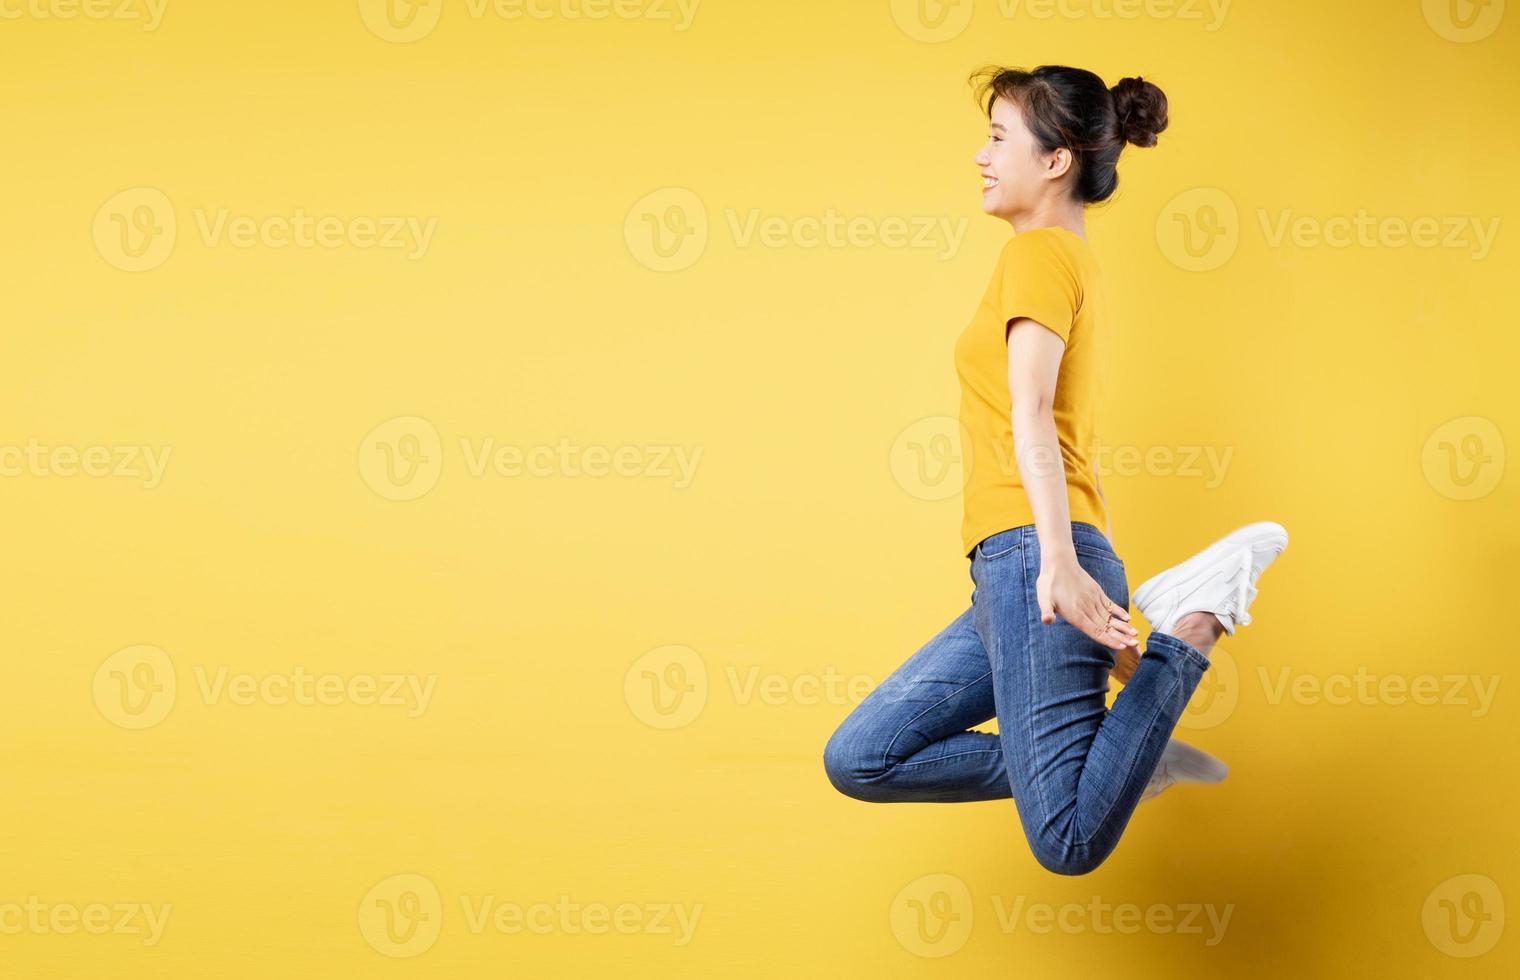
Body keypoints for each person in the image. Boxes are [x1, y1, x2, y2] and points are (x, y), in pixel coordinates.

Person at [821, 65, 1288, 875]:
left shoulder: (1038, 255)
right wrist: (1087, 591)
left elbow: (1032, 412)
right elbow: (1075, 447)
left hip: (1032, 554)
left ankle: (1194, 625)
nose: (981, 155)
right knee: (862, 756)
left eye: (1000, 138)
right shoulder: (1066, 260)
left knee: (1067, 841)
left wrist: (1063, 565)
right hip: (1025, 558)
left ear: (1056, 160)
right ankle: (1128, 756)